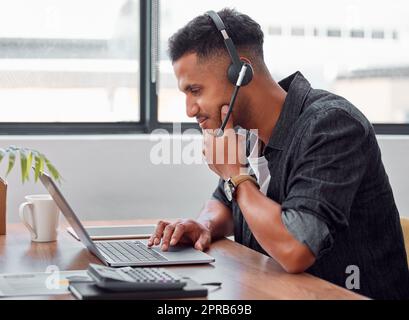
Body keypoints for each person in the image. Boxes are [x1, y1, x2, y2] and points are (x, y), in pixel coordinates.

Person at [147, 8, 409, 299]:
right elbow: (225, 202)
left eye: (195, 90)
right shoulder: (243, 130)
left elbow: (296, 249)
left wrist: (236, 175)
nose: (190, 110)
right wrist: (205, 224)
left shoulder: (332, 125)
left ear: (241, 73)